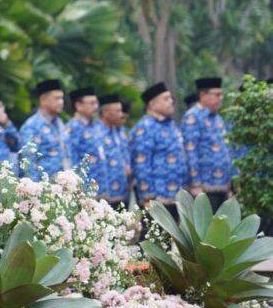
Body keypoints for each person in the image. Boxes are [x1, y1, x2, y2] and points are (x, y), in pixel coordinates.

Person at [130, 82, 187, 219]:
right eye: (166, 99)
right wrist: (147, 197)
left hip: (176, 196)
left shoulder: (171, 125)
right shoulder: (145, 128)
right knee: (155, 238)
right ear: (152, 104)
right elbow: (141, 165)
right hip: (157, 198)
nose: (171, 101)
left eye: (171, 98)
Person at [182, 77, 234, 212]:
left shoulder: (218, 118)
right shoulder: (193, 117)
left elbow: (225, 151)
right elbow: (190, 152)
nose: (221, 98)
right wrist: (196, 184)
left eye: (221, 94)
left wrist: (229, 186)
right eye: (217, 94)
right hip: (203, 188)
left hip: (222, 186)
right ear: (203, 95)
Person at [20, 79, 70, 178]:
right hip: (44, 188)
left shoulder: (59, 123)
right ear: (43, 100)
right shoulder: (32, 126)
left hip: (64, 186)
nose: (61, 102)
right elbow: (28, 163)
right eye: (57, 98)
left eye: (62, 98)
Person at [65, 87, 108, 196]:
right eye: (92, 103)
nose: (96, 107)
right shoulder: (73, 128)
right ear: (79, 105)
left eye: (96, 103)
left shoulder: (94, 126)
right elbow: (72, 160)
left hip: (99, 188)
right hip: (83, 191)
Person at [97, 94, 131, 208]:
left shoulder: (117, 131)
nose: (121, 115)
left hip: (122, 191)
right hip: (105, 194)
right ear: (106, 113)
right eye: (118, 111)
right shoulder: (95, 133)